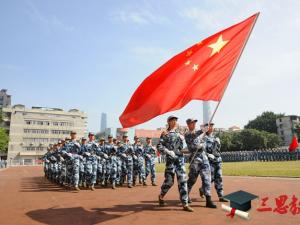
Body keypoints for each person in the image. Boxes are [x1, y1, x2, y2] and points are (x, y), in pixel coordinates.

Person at [157, 115, 193, 212]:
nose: (175, 122)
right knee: (169, 182)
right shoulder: (165, 133)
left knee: (183, 181)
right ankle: (161, 195)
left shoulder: (181, 133)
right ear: (168, 122)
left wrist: (203, 132)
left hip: (180, 160)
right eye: (173, 120)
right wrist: (168, 151)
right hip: (170, 161)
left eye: (176, 120)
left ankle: (185, 203)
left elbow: (191, 136)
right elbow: (159, 146)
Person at [185, 118, 216, 208]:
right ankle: (185, 195)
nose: (194, 124)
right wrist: (203, 129)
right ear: (188, 124)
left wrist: (203, 145)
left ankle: (208, 200)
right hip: (195, 159)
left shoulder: (201, 135)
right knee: (192, 180)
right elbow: (194, 136)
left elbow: (204, 143)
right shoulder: (188, 134)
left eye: (195, 123)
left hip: (204, 158)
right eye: (192, 123)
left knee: (207, 178)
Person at [201, 123, 227, 202]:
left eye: (212, 126)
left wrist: (218, 143)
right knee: (210, 179)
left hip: (218, 160)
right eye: (209, 126)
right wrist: (208, 155)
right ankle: (203, 189)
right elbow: (202, 151)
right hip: (209, 162)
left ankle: (221, 196)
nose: (211, 128)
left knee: (219, 178)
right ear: (206, 128)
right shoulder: (203, 138)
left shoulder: (216, 137)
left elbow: (218, 149)